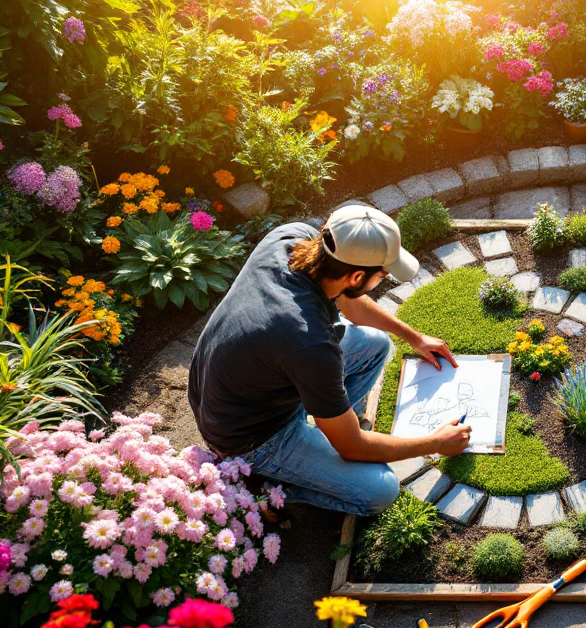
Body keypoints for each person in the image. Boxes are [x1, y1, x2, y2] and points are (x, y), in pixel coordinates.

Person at [188, 204, 471, 517]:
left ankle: (328, 426)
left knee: (375, 344)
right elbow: (352, 447)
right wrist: (435, 442)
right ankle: (264, 490)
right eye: (384, 273)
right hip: (250, 435)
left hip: (228, 387)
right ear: (356, 275)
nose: (387, 277)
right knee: (380, 491)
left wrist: (414, 337)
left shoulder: (294, 237)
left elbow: (350, 304)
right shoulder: (311, 344)